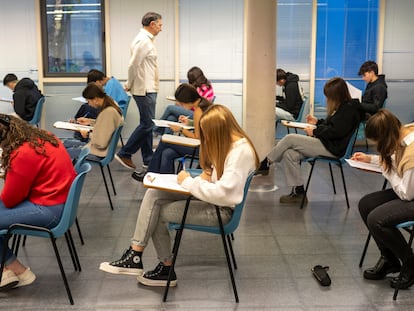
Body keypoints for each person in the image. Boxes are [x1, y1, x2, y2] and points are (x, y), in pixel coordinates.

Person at [99, 104, 259, 287]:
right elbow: (219, 178)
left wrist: (189, 182)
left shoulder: (240, 153)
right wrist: (205, 173)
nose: (206, 139)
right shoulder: (234, 145)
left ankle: (164, 269)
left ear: (219, 131)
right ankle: (135, 254)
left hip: (220, 211)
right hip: (212, 200)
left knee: (155, 212)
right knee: (154, 193)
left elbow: (224, 194)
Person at [0, 114, 76, 291]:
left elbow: (11, 199)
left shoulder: (22, 153)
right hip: (60, 203)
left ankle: (18, 271)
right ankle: (5, 271)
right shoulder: (42, 137)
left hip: (48, 210)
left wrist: (9, 174)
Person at [257, 77, 360, 204]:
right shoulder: (343, 107)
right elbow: (333, 126)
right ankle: (299, 193)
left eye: (329, 96)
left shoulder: (348, 110)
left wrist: (315, 131)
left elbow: (336, 132)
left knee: (290, 138)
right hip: (328, 144)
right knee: (289, 154)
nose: (327, 99)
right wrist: (317, 122)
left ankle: (265, 163)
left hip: (333, 148)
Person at [353, 109, 414, 290]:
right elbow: (395, 159)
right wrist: (370, 160)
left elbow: (406, 193)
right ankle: (389, 260)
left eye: (379, 141)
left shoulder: (412, 153)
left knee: (377, 219)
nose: (379, 145)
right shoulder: (402, 133)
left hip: (410, 192)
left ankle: (410, 263)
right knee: (366, 205)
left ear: (386, 136)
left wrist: (386, 170)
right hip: (410, 188)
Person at [132, 83, 212, 181]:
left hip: (203, 150)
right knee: (167, 153)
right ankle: (164, 182)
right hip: (205, 148)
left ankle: (149, 173)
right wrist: (190, 122)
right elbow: (200, 126)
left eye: (182, 104)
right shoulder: (203, 105)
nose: (182, 106)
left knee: (165, 141)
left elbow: (196, 137)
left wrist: (181, 129)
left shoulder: (198, 111)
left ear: (187, 101)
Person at [114, 12, 163, 170]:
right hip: (145, 89)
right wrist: (129, 83)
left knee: (147, 124)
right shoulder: (143, 41)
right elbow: (133, 65)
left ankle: (148, 158)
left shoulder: (146, 40)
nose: (161, 29)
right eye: (160, 25)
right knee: (147, 124)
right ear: (152, 24)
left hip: (148, 88)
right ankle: (125, 153)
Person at [64, 83, 124, 161]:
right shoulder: (110, 107)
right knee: (65, 143)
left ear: (95, 99)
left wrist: (88, 134)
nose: (88, 104)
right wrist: (90, 122)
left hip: (98, 152)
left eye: (88, 101)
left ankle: (70, 172)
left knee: (64, 152)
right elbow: (106, 125)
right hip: (97, 149)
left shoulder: (108, 112)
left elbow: (101, 143)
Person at [153, 66, 215, 136]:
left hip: (195, 113)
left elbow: (193, 103)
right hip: (193, 112)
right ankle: (166, 138)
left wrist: (180, 104)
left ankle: (155, 129)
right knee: (171, 118)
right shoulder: (207, 85)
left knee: (170, 108)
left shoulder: (199, 89)